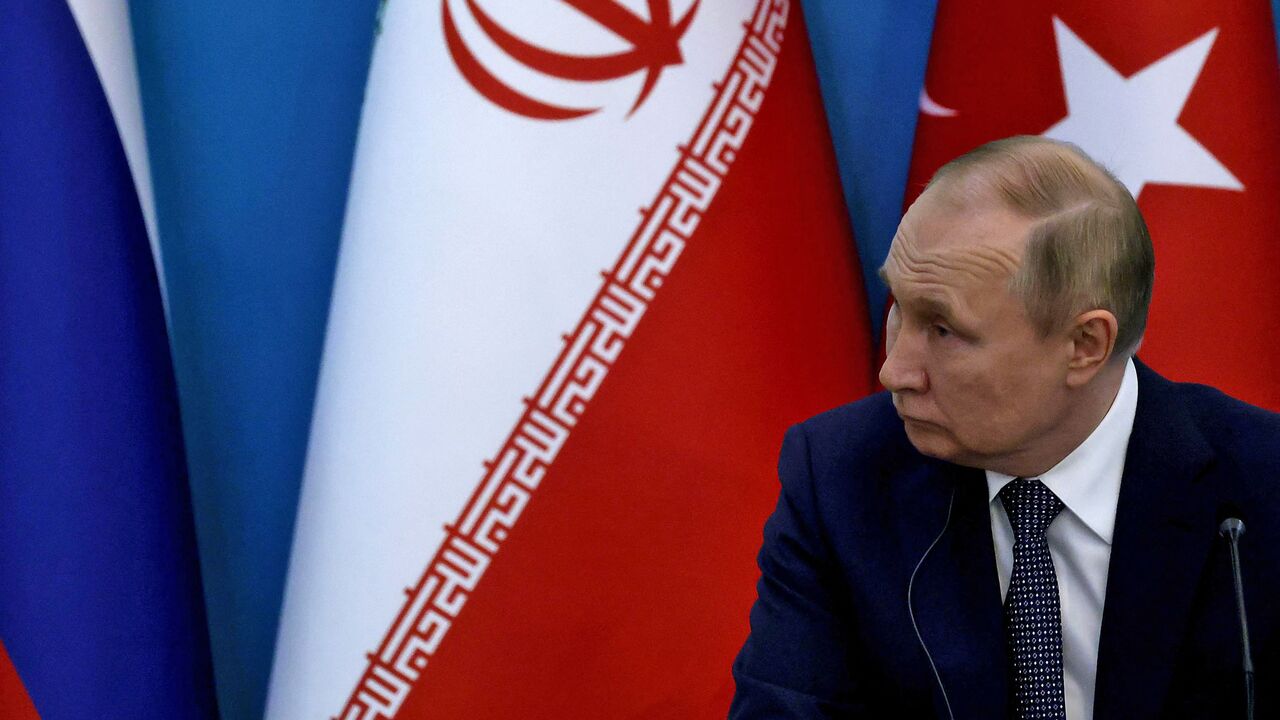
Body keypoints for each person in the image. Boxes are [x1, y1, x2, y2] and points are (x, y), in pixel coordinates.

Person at [730, 136, 1280, 719]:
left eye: (943, 330)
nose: (894, 372)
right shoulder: (843, 475)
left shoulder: (1261, 486)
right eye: (899, 308)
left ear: (1084, 345)